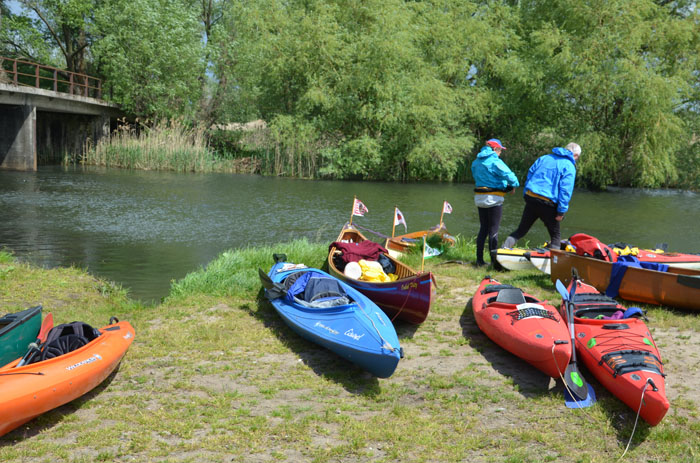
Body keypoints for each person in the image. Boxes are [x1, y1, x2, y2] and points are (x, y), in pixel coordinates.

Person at [502, 142, 581, 251]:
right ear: (576, 155)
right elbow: (565, 191)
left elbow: (530, 174)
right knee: (555, 235)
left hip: (531, 198)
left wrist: (526, 194)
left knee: (521, 230)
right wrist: (561, 212)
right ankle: (554, 262)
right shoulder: (569, 166)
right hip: (547, 203)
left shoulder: (544, 158)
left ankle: (502, 250)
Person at [471, 139, 520, 267]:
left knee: (483, 229)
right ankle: (494, 262)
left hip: (479, 199)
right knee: (494, 230)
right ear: (494, 149)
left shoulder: (476, 162)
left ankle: (479, 261)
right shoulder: (495, 161)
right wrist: (513, 185)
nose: (500, 153)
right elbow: (510, 176)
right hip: (493, 199)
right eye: (499, 150)